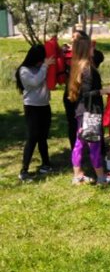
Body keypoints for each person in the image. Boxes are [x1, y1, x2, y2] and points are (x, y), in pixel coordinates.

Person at [68, 35, 110, 186]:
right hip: (90, 111)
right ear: (85, 50)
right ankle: (101, 178)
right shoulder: (88, 69)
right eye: (91, 47)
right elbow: (87, 93)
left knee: (79, 143)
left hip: (81, 110)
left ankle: (77, 175)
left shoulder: (78, 66)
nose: (93, 49)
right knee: (94, 144)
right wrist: (105, 91)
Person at [15, 43, 53, 180]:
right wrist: (45, 66)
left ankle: (46, 164)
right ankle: (24, 170)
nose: (42, 61)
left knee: (43, 137)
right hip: (32, 107)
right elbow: (35, 82)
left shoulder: (41, 67)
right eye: (41, 58)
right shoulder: (24, 70)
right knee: (32, 137)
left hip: (44, 106)